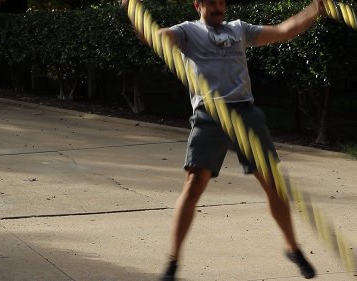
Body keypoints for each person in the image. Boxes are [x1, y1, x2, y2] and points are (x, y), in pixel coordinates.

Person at [123, 0, 326, 280]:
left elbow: (284, 30)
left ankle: (293, 248)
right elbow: (153, 38)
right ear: (198, 4)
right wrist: (132, 9)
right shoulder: (186, 32)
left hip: (245, 111)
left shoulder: (239, 29)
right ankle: (173, 261)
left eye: (221, 1)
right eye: (210, 1)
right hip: (210, 113)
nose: (218, 6)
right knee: (193, 187)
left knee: (273, 185)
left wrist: (315, 8)